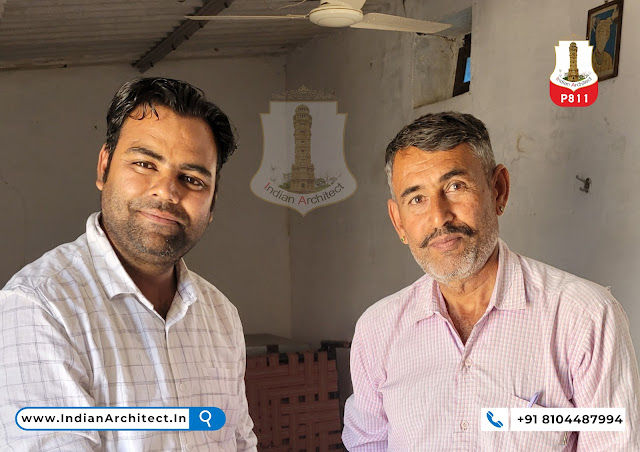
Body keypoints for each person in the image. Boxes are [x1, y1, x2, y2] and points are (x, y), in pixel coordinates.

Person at [342, 112, 640, 451]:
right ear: (398, 222)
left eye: (455, 186)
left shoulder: (585, 317)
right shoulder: (377, 331)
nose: (439, 217)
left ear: (498, 190)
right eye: (417, 199)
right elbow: (367, 444)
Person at [0, 77, 257, 451]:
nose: (166, 191)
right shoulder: (38, 308)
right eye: (144, 163)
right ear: (104, 167)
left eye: (192, 179)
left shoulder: (220, 315)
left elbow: (241, 441)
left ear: (213, 202)